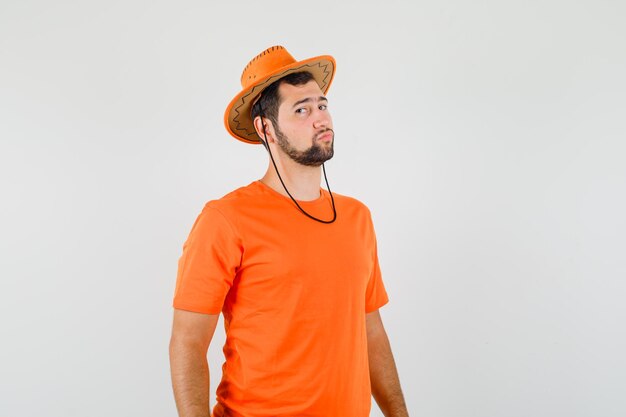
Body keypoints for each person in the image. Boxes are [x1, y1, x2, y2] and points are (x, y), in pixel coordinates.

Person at [169, 45, 409, 417]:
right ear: (267, 129)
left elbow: (371, 332)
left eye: (322, 105)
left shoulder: (356, 217)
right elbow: (188, 341)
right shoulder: (226, 219)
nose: (320, 119)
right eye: (302, 110)